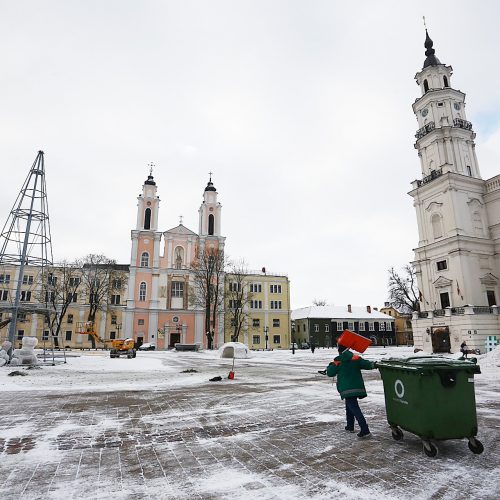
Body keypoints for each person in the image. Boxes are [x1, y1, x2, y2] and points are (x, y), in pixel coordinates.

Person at [325, 344, 377, 438]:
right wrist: (375, 364)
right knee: (349, 406)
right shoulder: (356, 358)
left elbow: (330, 372)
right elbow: (367, 364)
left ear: (339, 351)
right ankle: (350, 426)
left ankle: (365, 430)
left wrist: (330, 365)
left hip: (346, 389)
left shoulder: (338, 361)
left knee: (354, 408)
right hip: (357, 387)